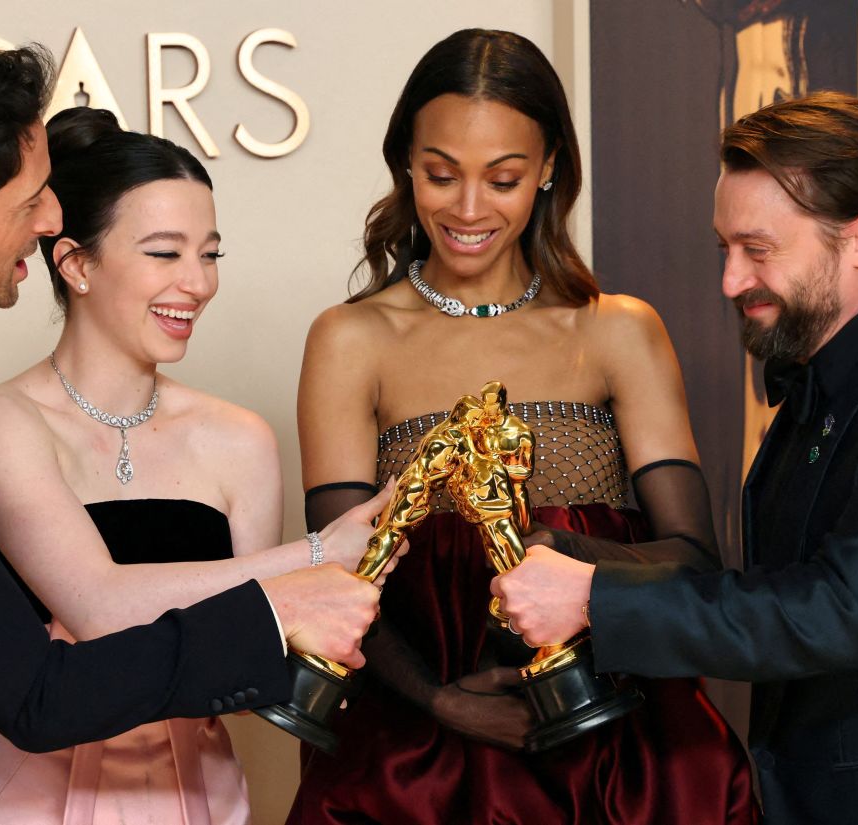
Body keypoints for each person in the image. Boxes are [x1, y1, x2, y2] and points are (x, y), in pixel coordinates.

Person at [0, 45, 382, 825]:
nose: (52, 220)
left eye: (208, 253)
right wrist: (287, 593)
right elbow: (40, 691)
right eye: (30, 201)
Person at [494, 91, 858, 824]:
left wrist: (590, 598)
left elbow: (839, 610)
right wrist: (576, 554)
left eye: (757, 250)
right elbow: (767, 590)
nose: (731, 281)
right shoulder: (818, 384)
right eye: (726, 250)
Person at [289, 28, 756, 825]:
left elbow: (692, 558)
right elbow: (339, 578)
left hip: (613, 738)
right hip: (414, 758)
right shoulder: (350, 339)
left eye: (502, 178)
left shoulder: (618, 330)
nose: (469, 209)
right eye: (442, 174)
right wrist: (442, 703)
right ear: (406, 164)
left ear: (547, 170)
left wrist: (564, 549)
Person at [0, 104, 400, 824]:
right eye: (165, 253)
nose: (197, 283)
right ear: (76, 263)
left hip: (189, 791)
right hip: (24, 793)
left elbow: (261, 652)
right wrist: (316, 556)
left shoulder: (240, 438)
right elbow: (99, 606)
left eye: (210, 255)